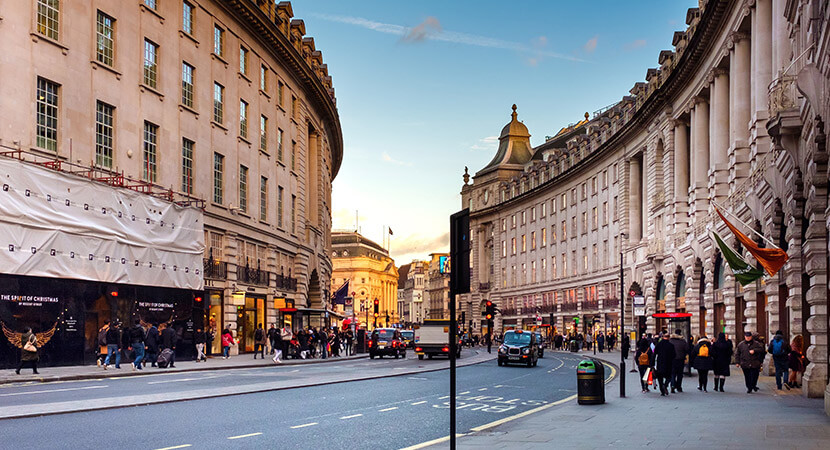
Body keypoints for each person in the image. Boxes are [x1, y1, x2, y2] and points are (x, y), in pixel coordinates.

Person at [654, 332, 676, 396]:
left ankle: (662, 391)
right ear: (668, 338)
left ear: (663, 337)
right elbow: (674, 355)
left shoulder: (659, 344)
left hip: (660, 363)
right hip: (668, 363)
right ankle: (665, 385)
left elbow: (655, 353)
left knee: (660, 377)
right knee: (668, 376)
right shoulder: (671, 345)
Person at [669, 329, 689, 393]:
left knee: (673, 373)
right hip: (680, 359)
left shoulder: (670, 341)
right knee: (680, 374)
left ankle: (672, 385)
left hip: (672, 359)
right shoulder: (682, 341)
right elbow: (687, 349)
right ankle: (679, 387)